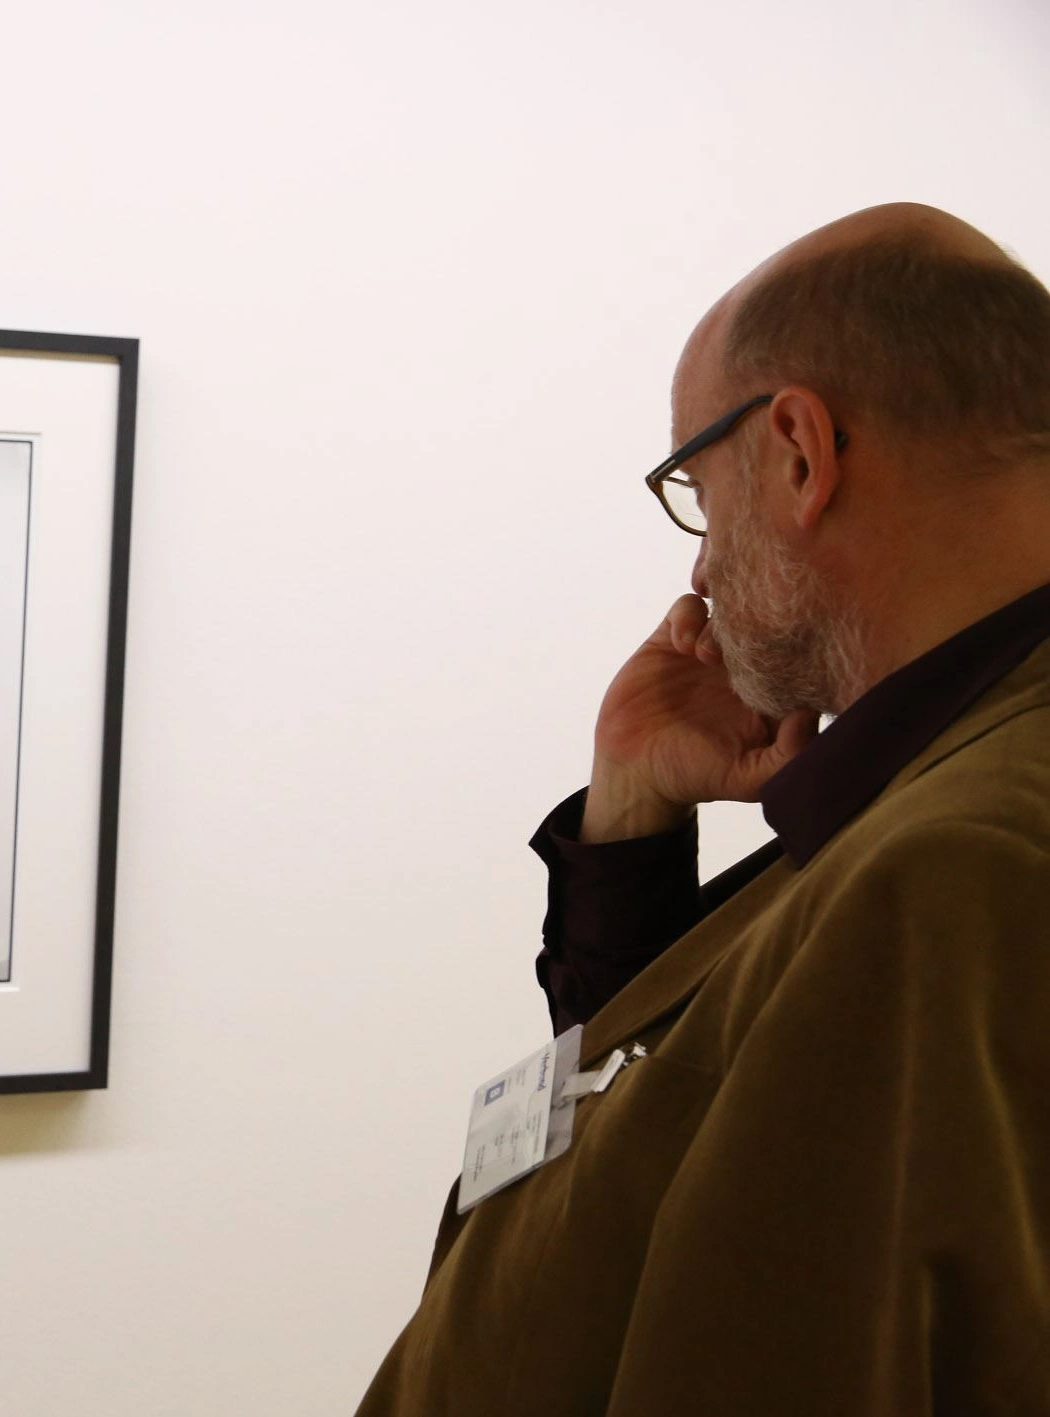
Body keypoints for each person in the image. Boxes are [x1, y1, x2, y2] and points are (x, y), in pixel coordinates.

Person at [358, 204, 1050, 1413]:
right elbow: (679, 1124)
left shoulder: (949, 860)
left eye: (695, 486)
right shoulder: (932, 793)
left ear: (795, 450)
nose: (696, 565)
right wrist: (629, 825)